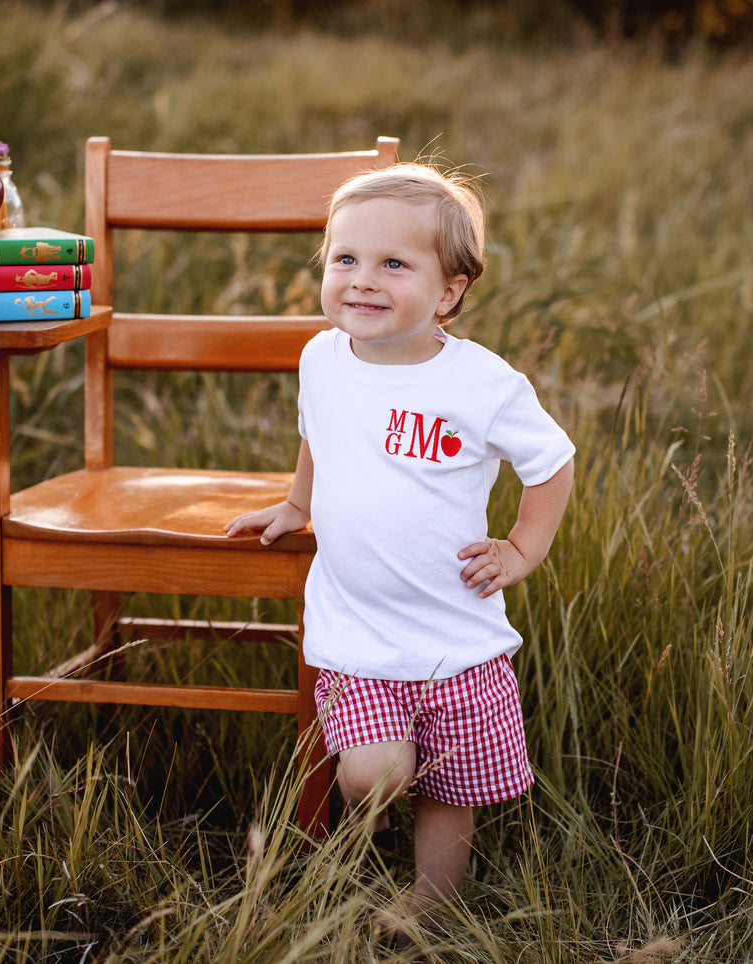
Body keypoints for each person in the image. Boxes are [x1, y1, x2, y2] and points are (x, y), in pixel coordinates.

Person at [225, 161, 575, 925]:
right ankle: (368, 821)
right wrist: (296, 502)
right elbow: (316, 434)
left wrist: (522, 548)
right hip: (359, 628)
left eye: (393, 264)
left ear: (448, 291)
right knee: (372, 774)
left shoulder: (480, 384)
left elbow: (551, 463)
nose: (361, 280)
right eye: (345, 258)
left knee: (448, 789)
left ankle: (429, 906)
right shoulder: (322, 357)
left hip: (455, 632)